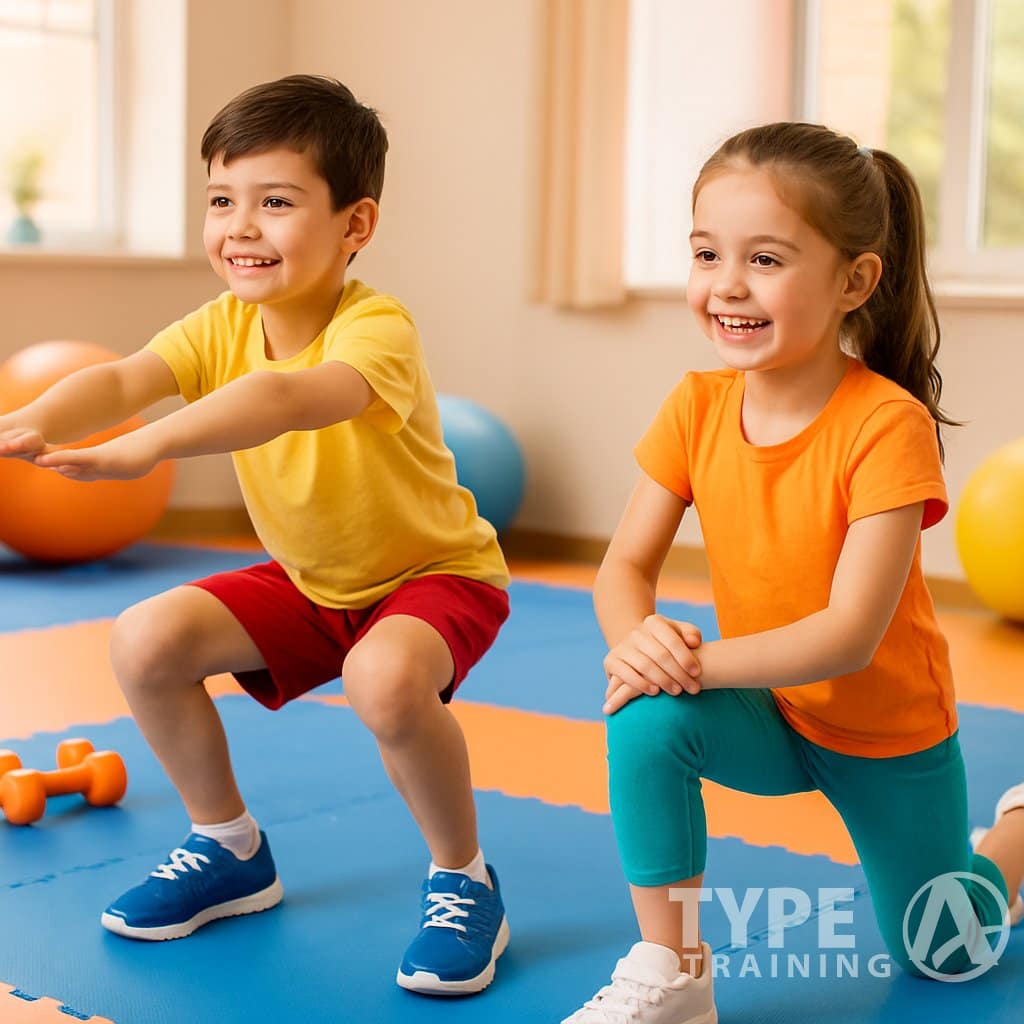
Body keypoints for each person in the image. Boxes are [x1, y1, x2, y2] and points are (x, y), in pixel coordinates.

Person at [0, 75, 512, 997]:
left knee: (386, 681)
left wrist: (141, 451)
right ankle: (229, 848)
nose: (241, 226)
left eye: (276, 202)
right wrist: (29, 419)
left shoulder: (376, 328)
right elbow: (120, 381)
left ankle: (463, 879)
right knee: (146, 639)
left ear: (356, 226)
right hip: (314, 581)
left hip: (434, 576)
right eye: (221, 200)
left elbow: (280, 399)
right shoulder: (220, 324)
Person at [561, 122, 1024, 1024]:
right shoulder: (695, 406)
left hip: (887, 731)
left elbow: (847, 636)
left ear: (854, 280)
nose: (726, 284)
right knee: (643, 718)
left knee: (944, 952)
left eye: (765, 259)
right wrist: (639, 646)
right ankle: (673, 971)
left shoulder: (886, 425)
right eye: (706, 253)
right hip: (773, 710)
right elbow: (623, 567)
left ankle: (1013, 841)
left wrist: (688, 660)